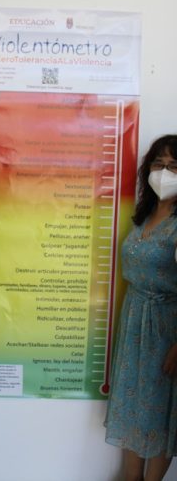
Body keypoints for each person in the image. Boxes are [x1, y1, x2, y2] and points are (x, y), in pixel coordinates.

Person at [105, 134, 177, 481]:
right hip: (134, 321)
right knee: (132, 405)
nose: (164, 172)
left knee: (159, 410)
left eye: (174, 166)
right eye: (158, 164)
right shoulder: (144, 214)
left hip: (166, 329)